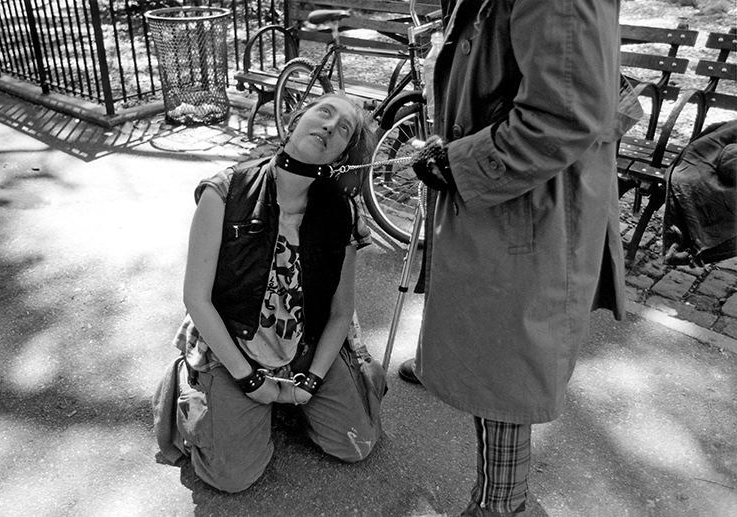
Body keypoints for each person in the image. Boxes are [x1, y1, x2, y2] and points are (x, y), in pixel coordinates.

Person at [398, 0, 635, 515]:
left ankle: (501, 505)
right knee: (486, 336)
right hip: (512, 194)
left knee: (507, 362)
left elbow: (563, 116)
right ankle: (447, 369)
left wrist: (460, 163)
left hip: (529, 204)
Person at [153, 93, 385, 493]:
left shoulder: (343, 212)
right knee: (232, 477)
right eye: (324, 112)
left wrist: (311, 381)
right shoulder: (225, 190)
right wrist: (248, 381)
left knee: (357, 445)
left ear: (343, 154)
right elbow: (197, 299)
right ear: (296, 120)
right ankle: (193, 381)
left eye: (344, 128)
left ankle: (287, 400)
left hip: (305, 348)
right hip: (234, 349)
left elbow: (340, 312)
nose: (331, 125)